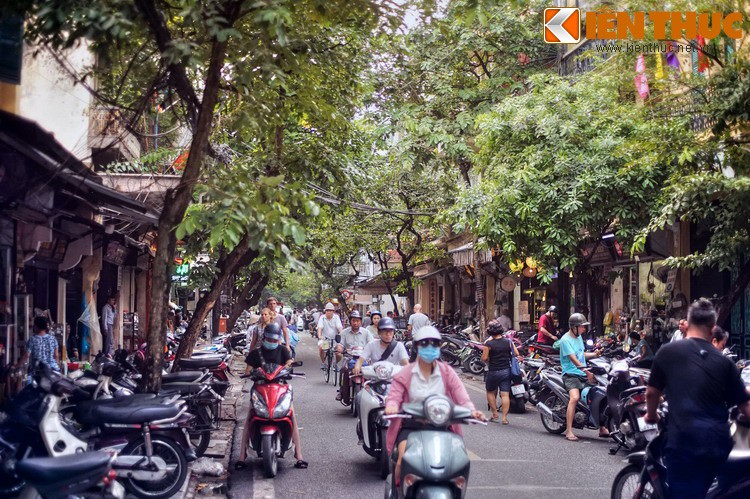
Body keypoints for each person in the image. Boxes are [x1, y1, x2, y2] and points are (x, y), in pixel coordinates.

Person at [644, 298, 750, 499]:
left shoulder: (667, 352)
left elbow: (651, 393)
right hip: (717, 444)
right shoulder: (724, 362)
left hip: (684, 442)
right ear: (712, 328)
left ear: (687, 323)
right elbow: (744, 405)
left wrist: (651, 416)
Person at [384, 326, 485, 481]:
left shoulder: (447, 372)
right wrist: (392, 406)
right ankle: (398, 491)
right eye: (425, 343)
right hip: (412, 427)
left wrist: (472, 411)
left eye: (434, 344)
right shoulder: (405, 373)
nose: (429, 348)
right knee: (402, 462)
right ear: (417, 346)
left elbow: (462, 397)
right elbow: (394, 396)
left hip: (442, 426)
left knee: (458, 464)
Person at [237, 323, 307, 469]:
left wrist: (287, 368)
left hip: (280, 388)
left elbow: (289, 363)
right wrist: (253, 372)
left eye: (275, 340)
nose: (272, 343)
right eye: (270, 340)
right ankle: (242, 456)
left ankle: (299, 455)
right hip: (260, 388)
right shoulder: (255, 353)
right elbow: (248, 369)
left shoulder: (283, 350)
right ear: (264, 338)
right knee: (249, 417)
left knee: (291, 416)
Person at [558, 313, 608, 441]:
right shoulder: (565, 340)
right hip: (570, 374)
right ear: (574, 327)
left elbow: (581, 354)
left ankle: (602, 427)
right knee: (574, 398)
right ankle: (569, 430)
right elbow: (574, 359)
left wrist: (594, 355)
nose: (584, 329)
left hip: (582, 373)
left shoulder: (579, 337)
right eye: (582, 327)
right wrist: (587, 372)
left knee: (600, 394)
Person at [482, 319, 519, 424]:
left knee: (490, 391)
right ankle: (504, 418)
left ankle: (495, 414)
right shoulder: (508, 342)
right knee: (505, 394)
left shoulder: (489, 343)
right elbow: (516, 353)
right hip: (506, 371)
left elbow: (484, 358)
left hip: (493, 370)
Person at [335, 310, 374, 403]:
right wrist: (339, 348)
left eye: (357, 321)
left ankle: (370, 390)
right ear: (350, 321)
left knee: (371, 373)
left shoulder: (366, 332)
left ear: (361, 322)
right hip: (349, 358)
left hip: (363, 358)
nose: (356, 323)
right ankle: (342, 390)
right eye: (353, 320)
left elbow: (371, 344)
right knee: (343, 370)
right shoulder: (344, 333)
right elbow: (340, 344)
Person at [317, 302, 343, 369]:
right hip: (325, 340)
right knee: (321, 348)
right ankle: (323, 363)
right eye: (327, 310)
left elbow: (339, 327)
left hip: (335, 340)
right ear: (325, 311)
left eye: (330, 311)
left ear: (333, 311)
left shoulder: (336, 317)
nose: (328, 312)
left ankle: (335, 364)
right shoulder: (322, 318)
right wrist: (320, 336)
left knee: (339, 354)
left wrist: (342, 335)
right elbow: (320, 328)